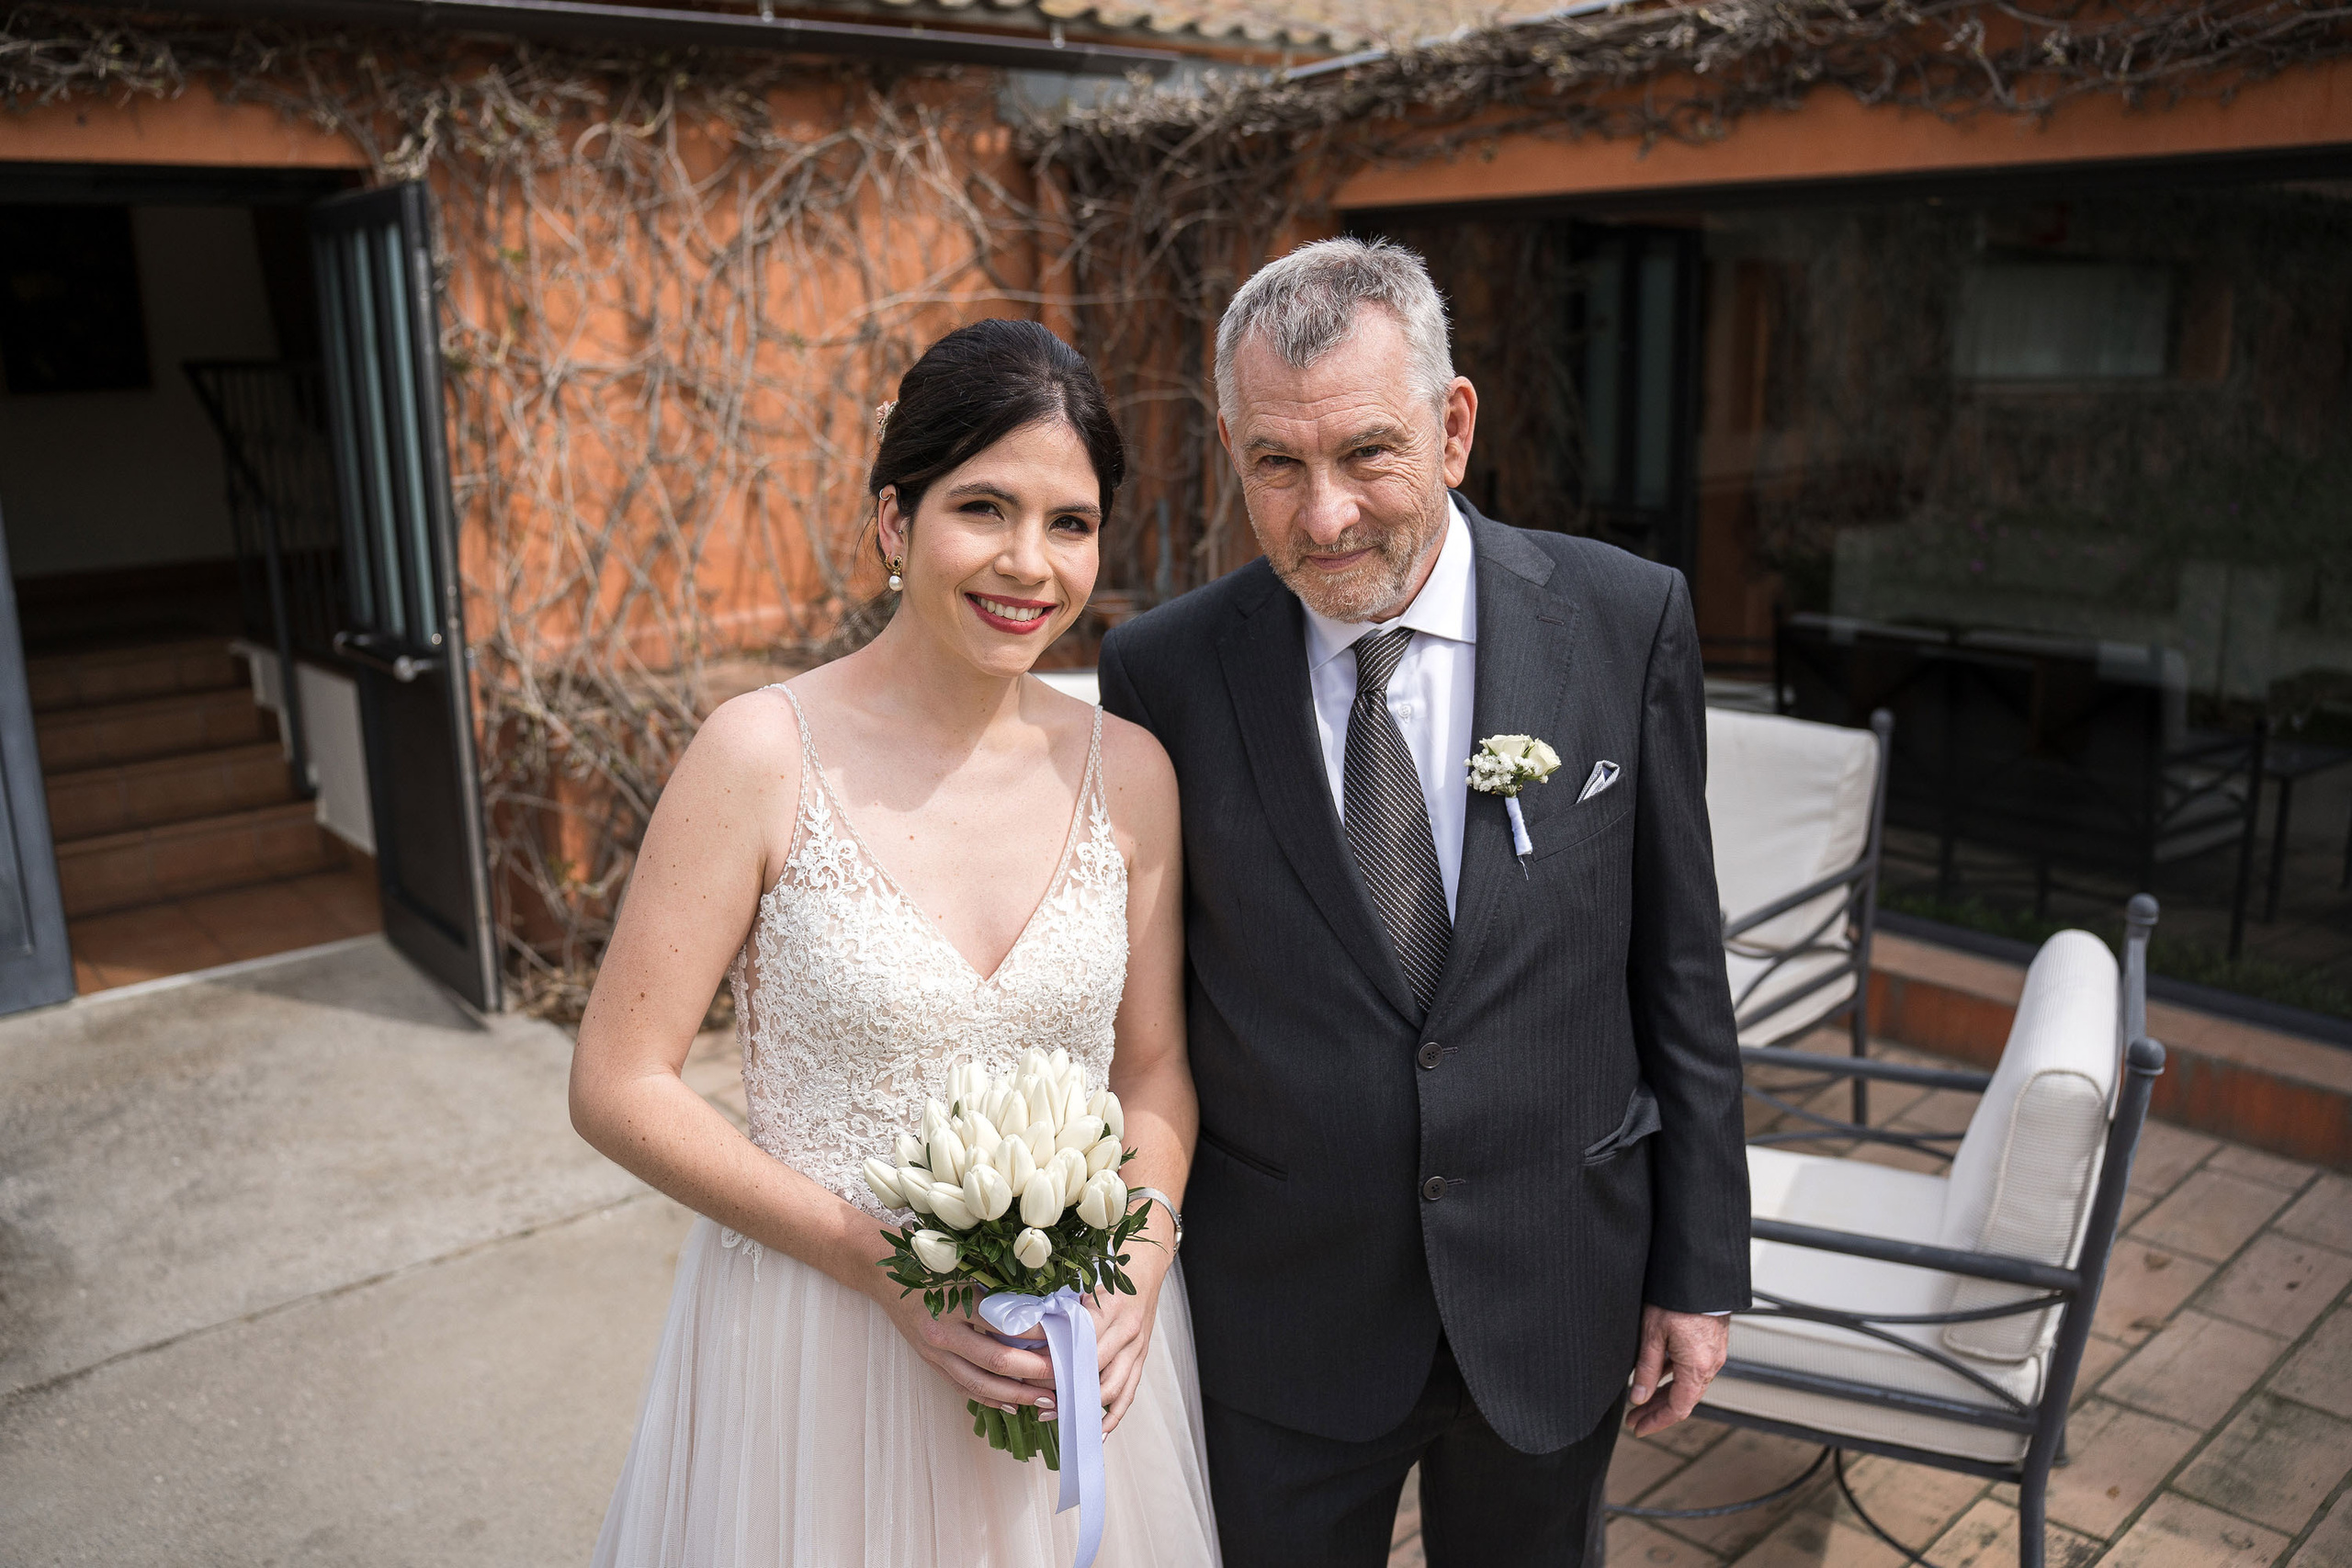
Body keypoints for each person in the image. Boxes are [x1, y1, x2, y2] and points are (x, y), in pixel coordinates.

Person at [1098, 238, 1752, 1568]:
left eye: (1366, 454)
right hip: (1284, 1317)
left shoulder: (1625, 620)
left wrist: (1698, 1269)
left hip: (1555, 1286)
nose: (1324, 515)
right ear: (1231, 452)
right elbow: (1142, 1011)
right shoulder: (1162, 673)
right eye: (1278, 464)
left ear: (1454, 429)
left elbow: (1681, 971)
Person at [571, 319, 1219, 1567]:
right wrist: (870, 1259)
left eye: (1070, 522)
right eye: (983, 508)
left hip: (1066, 1348)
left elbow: (1154, 1070)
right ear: (892, 521)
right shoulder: (759, 756)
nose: (1028, 563)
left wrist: (1139, 1259)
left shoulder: (1131, 772)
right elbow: (617, 1082)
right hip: (820, 1346)